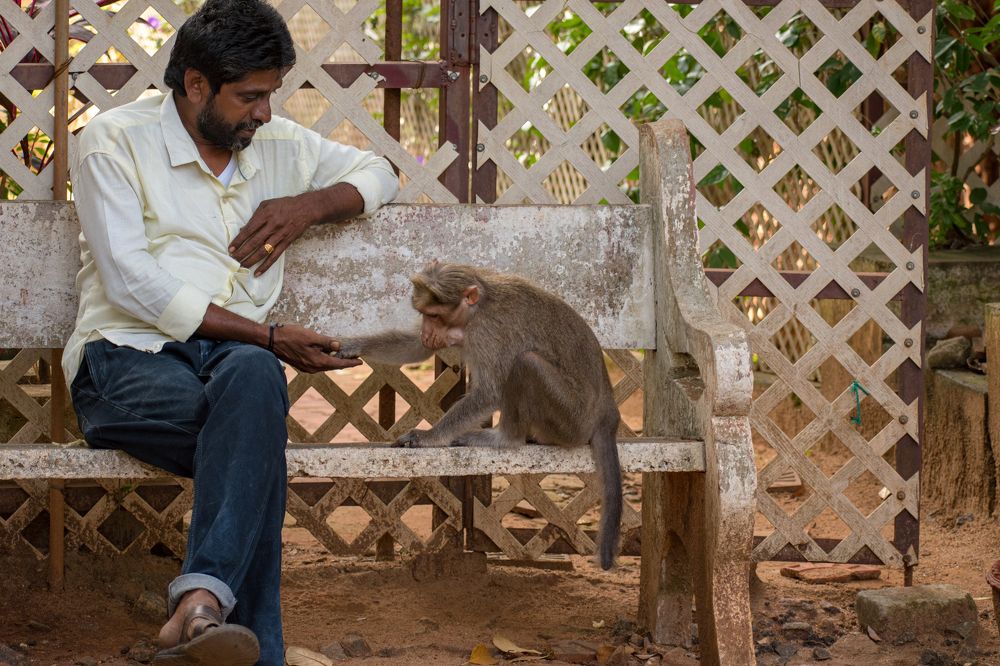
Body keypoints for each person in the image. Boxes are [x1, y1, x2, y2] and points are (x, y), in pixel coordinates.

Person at [63, 0, 399, 662]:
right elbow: (131, 282)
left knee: (250, 385)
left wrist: (310, 204)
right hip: (126, 363)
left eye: (270, 95)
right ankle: (249, 643)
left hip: (234, 366)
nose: (265, 113)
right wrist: (269, 337)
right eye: (250, 96)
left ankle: (199, 608)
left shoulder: (275, 148)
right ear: (195, 86)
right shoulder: (112, 141)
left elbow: (380, 172)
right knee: (253, 433)